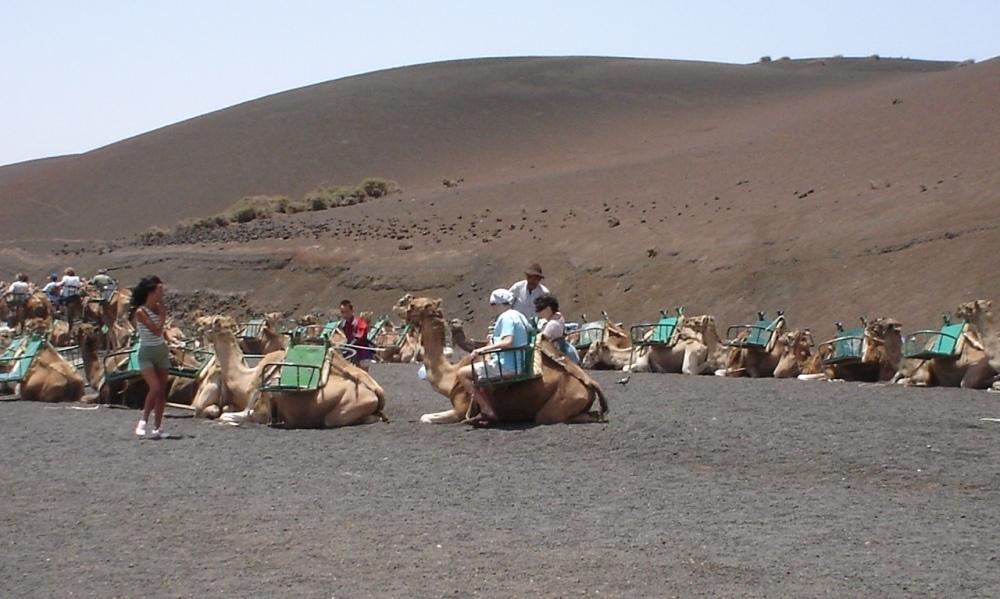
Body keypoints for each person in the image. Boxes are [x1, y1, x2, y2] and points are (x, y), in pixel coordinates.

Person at [457, 289, 532, 422]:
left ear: (496, 304)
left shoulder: (505, 318)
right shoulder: (519, 315)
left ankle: (486, 410)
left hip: (507, 365)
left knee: (462, 373)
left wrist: (482, 349)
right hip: (519, 361)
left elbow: (508, 342)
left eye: (492, 305)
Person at [130, 275, 173, 440]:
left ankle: (158, 428)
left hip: (160, 351)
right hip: (146, 353)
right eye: (160, 290)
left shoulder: (159, 308)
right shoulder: (141, 311)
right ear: (151, 291)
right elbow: (156, 330)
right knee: (154, 388)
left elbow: (161, 333)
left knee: (161, 392)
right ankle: (143, 421)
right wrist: (162, 316)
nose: (162, 293)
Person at [534, 293, 580, 364]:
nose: (540, 314)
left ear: (548, 309)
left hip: (556, 352)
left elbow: (541, 339)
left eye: (540, 311)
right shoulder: (559, 316)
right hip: (565, 347)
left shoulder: (552, 324)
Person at [338, 300, 374, 369]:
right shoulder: (344, 325)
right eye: (342, 312)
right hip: (351, 354)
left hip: (363, 355)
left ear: (352, 311)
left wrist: (348, 347)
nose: (345, 315)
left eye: (347, 312)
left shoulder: (360, 323)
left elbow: (358, 338)